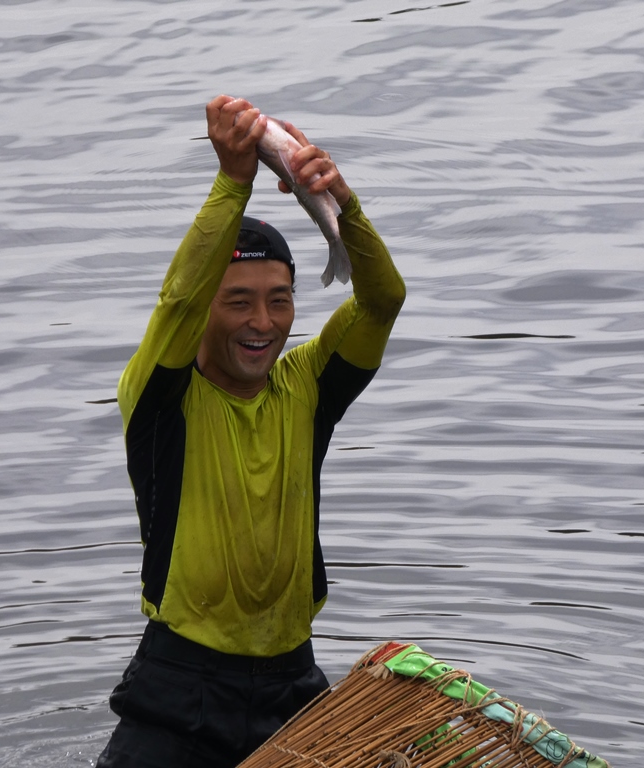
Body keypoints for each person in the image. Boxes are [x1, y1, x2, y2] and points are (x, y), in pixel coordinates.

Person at [95, 95, 405, 768]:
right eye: (237, 301)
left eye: (279, 299)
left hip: (293, 688)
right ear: (206, 310)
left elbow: (383, 299)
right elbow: (178, 298)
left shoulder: (308, 386)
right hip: (180, 692)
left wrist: (341, 204)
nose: (262, 322)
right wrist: (233, 181)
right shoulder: (161, 396)